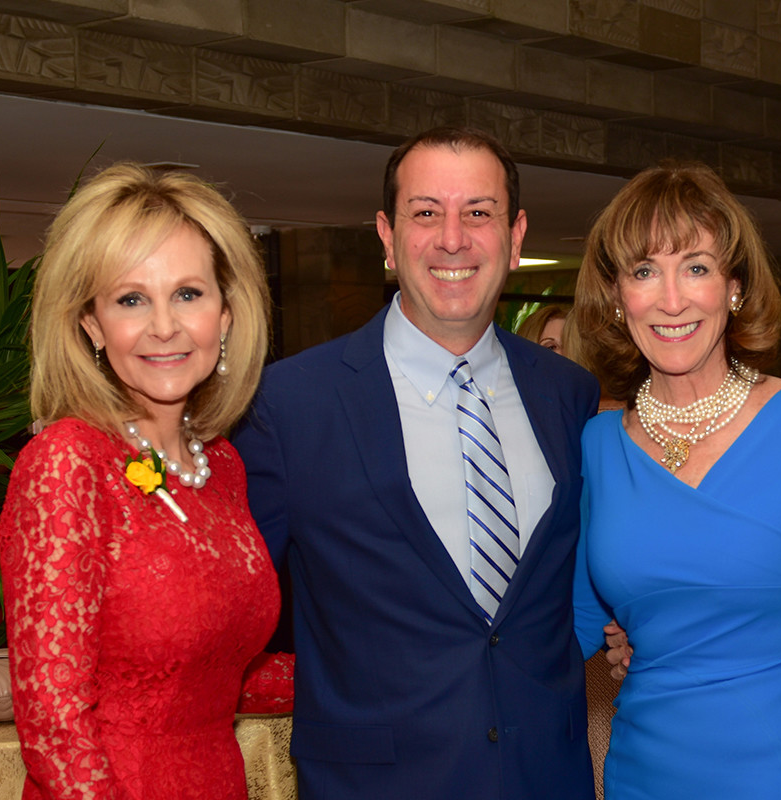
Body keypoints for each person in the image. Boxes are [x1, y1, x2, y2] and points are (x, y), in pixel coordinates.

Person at [234, 127, 600, 800]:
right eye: (426, 212)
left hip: (546, 776)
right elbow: (231, 611)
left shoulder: (569, 394)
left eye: (478, 213)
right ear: (387, 234)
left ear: (515, 235)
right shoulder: (287, 405)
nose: (452, 239)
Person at [0, 163, 291, 800]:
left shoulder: (222, 466)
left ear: (226, 314)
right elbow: (54, 725)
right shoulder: (67, 462)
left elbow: (213, 670)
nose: (164, 325)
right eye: (131, 299)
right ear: (92, 324)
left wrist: (378, 674)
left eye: (188, 293)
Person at [571, 162, 781, 799]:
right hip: (643, 778)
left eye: (696, 267)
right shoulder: (597, 447)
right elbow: (566, 628)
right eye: (645, 271)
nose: (672, 300)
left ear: (734, 287)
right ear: (616, 296)